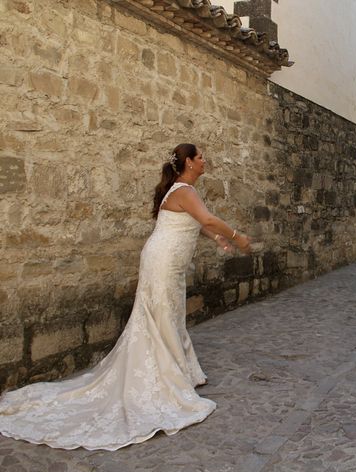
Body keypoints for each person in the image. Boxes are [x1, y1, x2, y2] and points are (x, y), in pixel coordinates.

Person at [0, 143, 251, 450]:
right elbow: (208, 218)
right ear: (188, 162)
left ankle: (179, 371)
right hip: (162, 262)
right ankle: (163, 379)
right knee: (160, 316)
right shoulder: (185, 190)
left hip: (166, 262)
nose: (204, 160)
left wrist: (217, 239)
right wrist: (239, 238)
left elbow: (196, 224)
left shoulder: (181, 191)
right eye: (200, 157)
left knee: (168, 316)